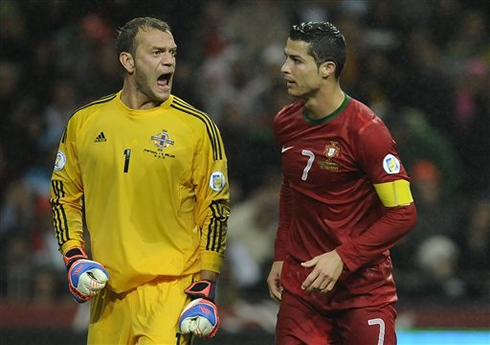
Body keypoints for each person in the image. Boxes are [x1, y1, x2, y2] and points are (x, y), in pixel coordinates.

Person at [49, 17, 230, 344]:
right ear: (128, 61)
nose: (169, 61)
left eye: (172, 53)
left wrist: (206, 288)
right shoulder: (84, 123)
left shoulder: (197, 128)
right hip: (107, 296)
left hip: (170, 293)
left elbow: (215, 211)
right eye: (157, 52)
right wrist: (74, 256)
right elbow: (64, 196)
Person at [266, 22, 417, 344]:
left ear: (327, 69)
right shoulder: (285, 122)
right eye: (286, 57)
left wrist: (343, 257)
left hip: (362, 293)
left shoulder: (367, 131)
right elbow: (291, 190)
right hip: (302, 288)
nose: (284, 68)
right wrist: (281, 254)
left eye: (296, 60)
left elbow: (403, 213)